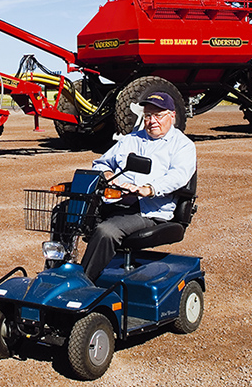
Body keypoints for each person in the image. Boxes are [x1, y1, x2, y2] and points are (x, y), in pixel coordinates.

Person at [79, 91, 197, 281]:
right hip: (116, 199)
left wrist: (149, 188)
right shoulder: (131, 139)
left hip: (149, 209)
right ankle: (56, 272)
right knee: (65, 213)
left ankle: (83, 283)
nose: (152, 121)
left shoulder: (183, 145)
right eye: (148, 115)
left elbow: (179, 176)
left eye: (158, 115)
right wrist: (110, 176)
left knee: (106, 231)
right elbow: (101, 163)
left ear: (172, 116)